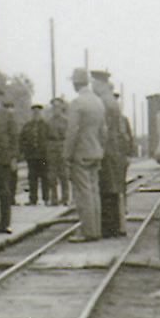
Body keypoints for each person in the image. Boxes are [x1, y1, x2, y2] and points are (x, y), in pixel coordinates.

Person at [65, 68, 105, 240]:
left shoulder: (77, 103)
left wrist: (66, 155)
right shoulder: (98, 102)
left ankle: (88, 231)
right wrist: (101, 148)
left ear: (75, 83)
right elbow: (104, 130)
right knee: (94, 191)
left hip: (81, 153)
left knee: (83, 193)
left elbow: (72, 131)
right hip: (96, 151)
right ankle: (96, 229)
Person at [94, 71, 128, 236]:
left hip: (107, 149)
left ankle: (109, 228)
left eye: (94, 83)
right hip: (114, 149)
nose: (93, 87)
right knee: (113, 187)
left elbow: (104, 130)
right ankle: (116, 226)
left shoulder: (104, 102)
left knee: (107, 187)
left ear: (100, 84)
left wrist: (99, 148)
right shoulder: (110, 101)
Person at [0, 88, 21, 233]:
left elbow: (14, 138)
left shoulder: (7, 115)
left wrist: (14, 158)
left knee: (4, 192)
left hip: (3, 159)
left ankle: (5, 224)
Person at [20, 105, 53, 205]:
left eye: (38, 111)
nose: (36, 113)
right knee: (32, 178)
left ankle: (46, 198)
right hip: (32, 156)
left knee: (45, 178)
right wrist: (24, 151)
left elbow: (50, 139)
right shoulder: (28, 125)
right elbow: (23, 139)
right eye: (34, 111)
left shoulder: (46, 125)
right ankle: (33, 199)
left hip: (44, 156)